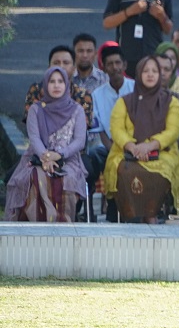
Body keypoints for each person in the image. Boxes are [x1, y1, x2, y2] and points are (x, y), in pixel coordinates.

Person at [103, 57, 179, 222]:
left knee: (161, 173)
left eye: (155, 71)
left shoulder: (171, 102)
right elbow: (116, 128)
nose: (150, 75)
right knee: (123, 171)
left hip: (162, 153)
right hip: (127, 152)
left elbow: (173, 131)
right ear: (139, 73)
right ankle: (130, 216)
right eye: (146, 71)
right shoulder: (125, 102)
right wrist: (133, 148)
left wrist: (150, 146)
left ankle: (151, 215)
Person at [5, 67, 89, 222]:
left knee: (68, 179)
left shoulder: (77, 110)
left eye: (60, 81)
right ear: (45, 85)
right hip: (37, 158)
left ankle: (63, 224)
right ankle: (38, 226)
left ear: (66, 85)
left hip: (69, 159)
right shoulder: (36, 110)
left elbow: (79, 141)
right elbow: (34, 138)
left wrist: (60, 155)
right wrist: (46, 157)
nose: (56, 85)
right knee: (35, 177)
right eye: (52, 81)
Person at [88, 45, 135, 212]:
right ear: (104, 67)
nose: (115, 67)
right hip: (108, 146)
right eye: (110, 64)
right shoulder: (96, 95)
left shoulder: (136, 89)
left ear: (124, 65)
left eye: (118, 63)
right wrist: (113, 148)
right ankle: (91, 208)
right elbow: (98, 127)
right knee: (93, 157)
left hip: (134, 146)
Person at [23, 45, 95, 127]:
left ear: (74, 68)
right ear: (49, 67)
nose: (61, 67)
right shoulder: (36, 89)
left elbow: (83, 128)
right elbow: (31, 123)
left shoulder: (83, 95)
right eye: (56, 63)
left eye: (66, 63)